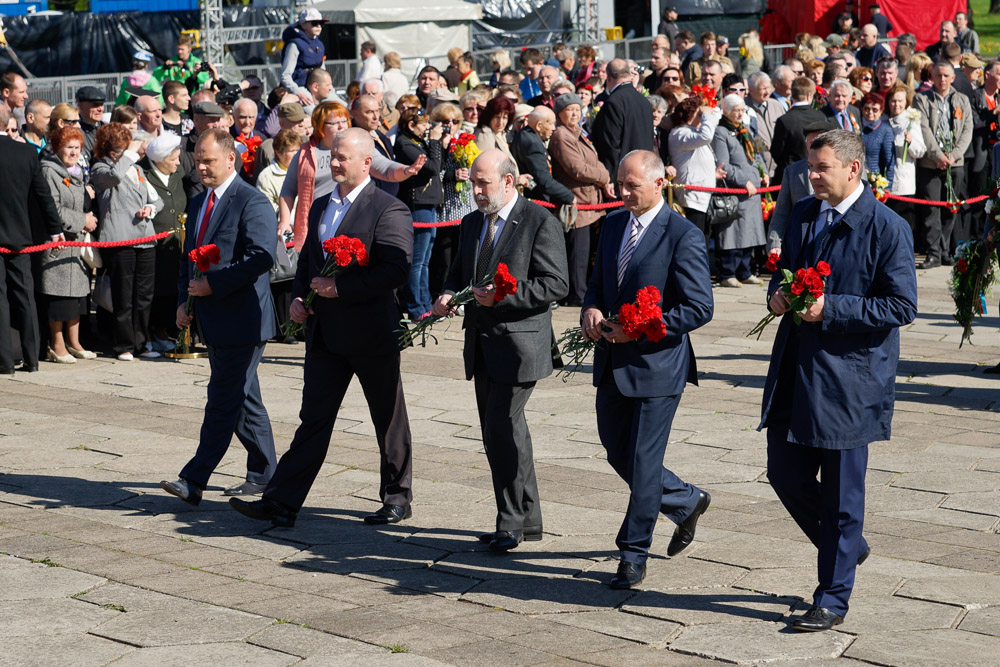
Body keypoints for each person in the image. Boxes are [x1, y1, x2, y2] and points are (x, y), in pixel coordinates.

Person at [760, 129, 917, 632]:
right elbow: (783, 274)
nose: (811, 175)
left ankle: (832, 596)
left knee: (842, 497)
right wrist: (777, 296)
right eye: (811, 166)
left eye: (821, 167)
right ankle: (849, 550)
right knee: (784, 474)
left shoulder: (887, 227)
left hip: (851, 381)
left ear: (852, 168)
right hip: (796, 372)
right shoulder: (805, 214)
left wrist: (832, 309)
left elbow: (901, 305)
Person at [230, 128, 414, 528]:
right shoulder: (319, 207)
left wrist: (340, 288)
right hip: (325, 334)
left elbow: (396, 271)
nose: (334, 163)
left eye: (343, 157)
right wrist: (299, 298)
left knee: (387, 416)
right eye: (333, 156)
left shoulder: (388, 208)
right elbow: (309, 262)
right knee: (313, 418)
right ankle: (282, 501)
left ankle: (397, 496)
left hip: (370, 332)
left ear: (367, 163)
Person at [580, 149, 713, 588]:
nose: (622, 191)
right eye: (619, 183)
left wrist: (642, 329)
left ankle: (633, 553)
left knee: (642, 458)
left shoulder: (682, 234)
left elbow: (699, 307)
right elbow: (598, 284)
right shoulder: (615, 223)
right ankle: (685, 500)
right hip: (613, 361)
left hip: (658, 366)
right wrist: (592, 309)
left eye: (631, 184)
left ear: (659, 183)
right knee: (618, 451)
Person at [431, 149, 568, 551]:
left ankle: (509, 520)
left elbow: (555, 284)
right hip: (482, 344)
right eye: (472, 183)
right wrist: (446, 295)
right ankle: (527, 518)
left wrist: (502, 297)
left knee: (500, 429)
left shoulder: (539, 220)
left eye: (483, 183)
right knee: (505, 432)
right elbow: (459, 272)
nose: (475, 191)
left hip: (521, 343)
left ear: (509, 181)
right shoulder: (473, 222)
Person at [160, 128, 279, 506]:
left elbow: (262, 257)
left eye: (209, 160)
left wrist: (215, 285)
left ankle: (194, 479)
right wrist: (185, 301)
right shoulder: (198, 202)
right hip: (212, 318)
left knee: (223, 399)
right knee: (244, 400)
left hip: (244, 319)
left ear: (231, 159)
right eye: (198, 159)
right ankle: (266, 475)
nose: (202, 166)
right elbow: (188, 259)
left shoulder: (252, 201)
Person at [90, 122, 164, 361]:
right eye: (118, 148)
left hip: (145, 238)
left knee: (144, 295)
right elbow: (113, 177)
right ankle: (124, 345)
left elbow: (157, 200)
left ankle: (142, 343)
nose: (122, 153)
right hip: (119, 239)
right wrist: (131, 153)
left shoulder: (137, 170)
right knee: (123, 295)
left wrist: (150, 209)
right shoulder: (100, 168)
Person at [38, 126, 97, 364]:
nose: (73, 152)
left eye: (77, 148)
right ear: (56, 147)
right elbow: (52, 208)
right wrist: (83, 220)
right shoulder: (48, 171)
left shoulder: (75, 172)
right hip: (57, 243)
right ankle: (57, 344)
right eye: (68, 147)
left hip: (75, 244)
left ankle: (74, 342)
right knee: (58, 297)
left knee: (77, 297)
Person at [549, 93, 610, 307]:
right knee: (578, 252)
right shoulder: (561, 135)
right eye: (569, 110)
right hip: (577, 200)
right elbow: (577, 168)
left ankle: (582, 290)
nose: (574, 113)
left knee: (586, 251)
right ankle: (576, 294)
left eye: (577, 108)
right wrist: (605, 178)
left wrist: (604, 177)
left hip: (590, 198)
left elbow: (595, 159)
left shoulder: (577, 132)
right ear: (559, 113)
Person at [912, 61, 973, 268]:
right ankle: (933, 253)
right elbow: (923, 128)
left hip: (955, 164)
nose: (942, 79)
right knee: (931, 210)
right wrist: (937, 155)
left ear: (953, 77)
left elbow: (967, 130)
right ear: (932, 77)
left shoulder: (962, 100)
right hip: (931, 163)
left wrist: (954, 156)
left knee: (950, 209)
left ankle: (946, 251)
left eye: (946, 75)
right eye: (938, 75)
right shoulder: (922, 99)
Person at [713, 94, 767, 288]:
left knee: (750, 233)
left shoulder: (744, 131)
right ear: (726, 111)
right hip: (737, 191)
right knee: (732, 234)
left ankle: (746, 270)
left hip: (753, 190)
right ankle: (728, 273)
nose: (740, 114)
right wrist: (744, 182)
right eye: (736, 110)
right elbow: (723, 165)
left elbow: (758, 155)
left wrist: (764, 173)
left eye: (742, 110)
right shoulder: (721, 132)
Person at [144, 132, 187, 351]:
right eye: (173, 159)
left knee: (173, 289)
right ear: (159, 160)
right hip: (154, 245)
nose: (178, 163)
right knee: (157, 292)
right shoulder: (145, 174)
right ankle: (155, 332)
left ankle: (168, 331)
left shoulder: (178, 173)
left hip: (176, 243)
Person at [768, 121, 836, 253]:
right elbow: (781, 212)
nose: (815, 149)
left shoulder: (844, 169)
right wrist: (775, 244)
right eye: (812, 144)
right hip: (800, 243)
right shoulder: (792, 171)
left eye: (820, 143)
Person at [592, 59, 656, 187]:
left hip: (623, 178)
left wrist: (610, 179)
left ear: (608, 78)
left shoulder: (613, 102)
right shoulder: (643, 100)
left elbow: (610, 145)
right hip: (644, 171)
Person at [669, 97, 722, 243]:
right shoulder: (680, 133)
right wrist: (707, 115)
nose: (702, 118)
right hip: (692, 197)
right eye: (699, 115)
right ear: (688, 115)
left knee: (703, 238)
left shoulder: (690, 133)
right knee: (695, 241)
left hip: (701, 195)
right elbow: (706, 136)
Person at [884, 84, 925, 238]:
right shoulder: (883, 120)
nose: (897, 105)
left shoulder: (911, 121)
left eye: (900, 101)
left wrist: (910, 141)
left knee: (904, 222)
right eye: (893, 101)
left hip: (904, 180)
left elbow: (920, 151)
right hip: (885, 180)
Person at [772, 77, 827, 182]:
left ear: (792, 94)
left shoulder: (784, 120)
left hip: (791, 175)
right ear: (809, 95)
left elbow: (776, 152)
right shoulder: (820, 116)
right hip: (817, 173)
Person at [281, 9, 329, 106]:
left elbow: (322, 71)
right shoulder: (294, 45)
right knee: (315, 114)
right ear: (303, 25)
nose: (319, 26)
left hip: (317, 86)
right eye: (315, 23)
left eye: (321, 23)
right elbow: (285, 76)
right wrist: (298, 93)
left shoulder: (320, 45)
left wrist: (328, 86)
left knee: (341, 107)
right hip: (299, 87)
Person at [747, 72, 786, 179]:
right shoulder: (744, 108)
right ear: (751, 90)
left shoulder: (776, 105)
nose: (767, 92)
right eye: (763, 89)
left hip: (778, 168)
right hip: (759, 169)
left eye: (769, 88)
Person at [859, 92, 895, 189]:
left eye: (874, 110)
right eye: (867, 109)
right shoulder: (856, 125)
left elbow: (889, 162)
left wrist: (888, 187)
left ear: (881, 111)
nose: (870, 112)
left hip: (874, 183)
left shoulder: (885, 130)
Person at [76, 86, 106, 159]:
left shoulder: (106, 129)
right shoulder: (75, 131)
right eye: (95, 105)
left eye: (101, 104)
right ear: (80, 107)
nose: (100, 109)